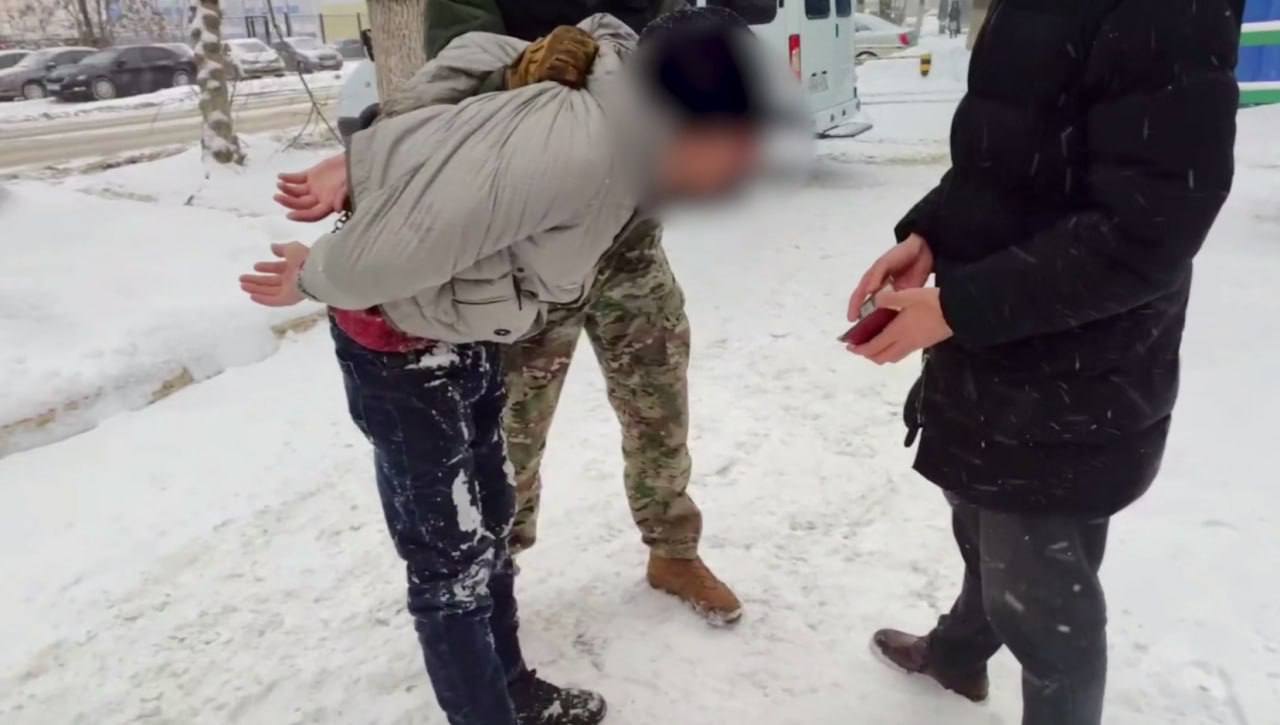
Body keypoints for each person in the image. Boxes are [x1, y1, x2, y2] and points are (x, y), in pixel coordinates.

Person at [239, 11, 773, 725]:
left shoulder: (622, 99)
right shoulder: (575, 149)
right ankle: (485, 672)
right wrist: (361, 173)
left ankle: (520, 669)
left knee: (497, 505)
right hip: (428, 319)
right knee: (458, 546)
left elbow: (549, 49)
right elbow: (392, 244)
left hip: (522, 279)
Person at [845, 2, 1242, 724]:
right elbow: (1009, 160)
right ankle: (960, 654)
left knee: (1046, 607)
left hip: (1072, 372)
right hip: (993, 344)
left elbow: (1149, 231)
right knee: (981, 525)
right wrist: (930, 234)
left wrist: (961, 306)